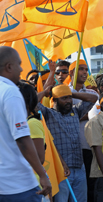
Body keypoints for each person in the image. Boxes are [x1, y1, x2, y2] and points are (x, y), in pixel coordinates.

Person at [0, 46, 51, 201]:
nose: (22, 69)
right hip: (18, 185)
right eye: (19, 64)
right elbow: (22, 139)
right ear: (9, 67)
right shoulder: (10, 92)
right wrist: (42, 174)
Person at [37, 84, 97, 202]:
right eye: (64, 98)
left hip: (79, 167)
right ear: (54, 100)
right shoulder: (48, 114)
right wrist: (45, 92)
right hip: (61, 170)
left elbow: (93, 98)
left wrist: (71, 93)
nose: (68, 101)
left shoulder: (76, 111)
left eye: (69, 98)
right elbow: (31, 102)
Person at [68, 59, 99, 202]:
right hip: (71, 148)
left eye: (86, 69)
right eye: (81, 69)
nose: (85, 72)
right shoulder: (63, 90)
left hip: (89, 145)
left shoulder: (91, 92)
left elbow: (95, 102)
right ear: (72, 73)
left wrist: (71, 96)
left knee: (90, 184)